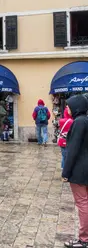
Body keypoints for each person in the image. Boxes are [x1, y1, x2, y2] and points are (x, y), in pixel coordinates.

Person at [62, 95, 88, 248]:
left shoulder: (78, 123)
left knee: (83, 204)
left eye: (68, 106)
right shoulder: (85, 121)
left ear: (76, 107)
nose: (67, 108)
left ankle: (84, 239)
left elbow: (72, 150)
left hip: (80, 170)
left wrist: (66, 172)